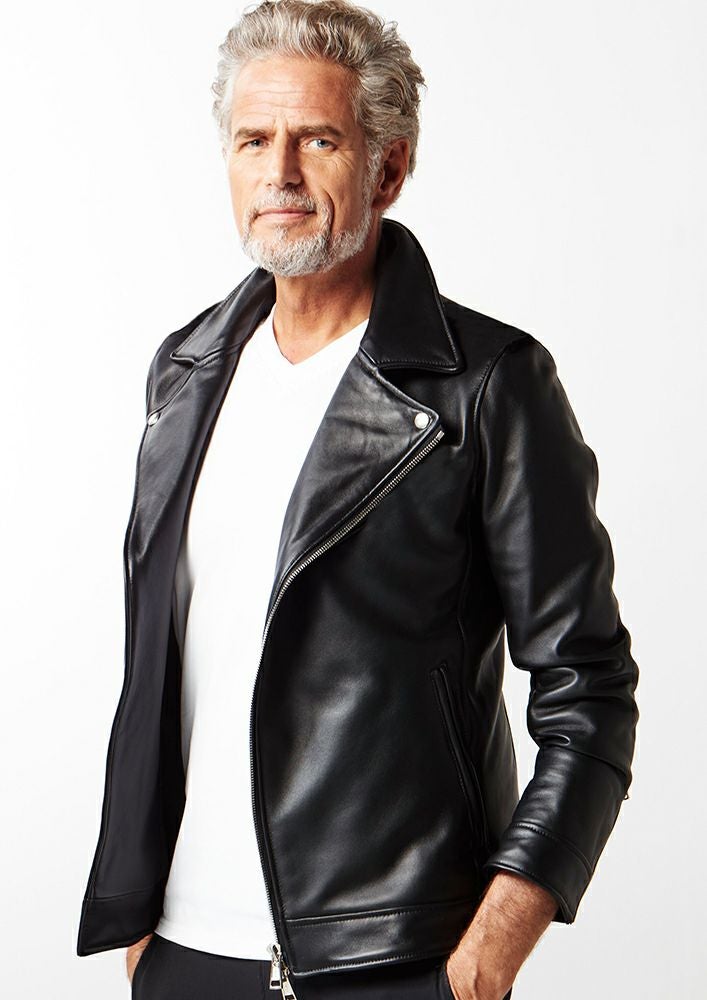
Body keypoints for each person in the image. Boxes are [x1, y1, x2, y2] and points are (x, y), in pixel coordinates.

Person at [75, 2, 640, 998]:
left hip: (393, 957)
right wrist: (143, 933)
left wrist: (486, 951)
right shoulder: (186, 371)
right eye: (253, 140)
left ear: (387, 169)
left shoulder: (484, 385)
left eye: (318, 140)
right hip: (182, 952)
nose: (280, 173)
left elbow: (587, 689)